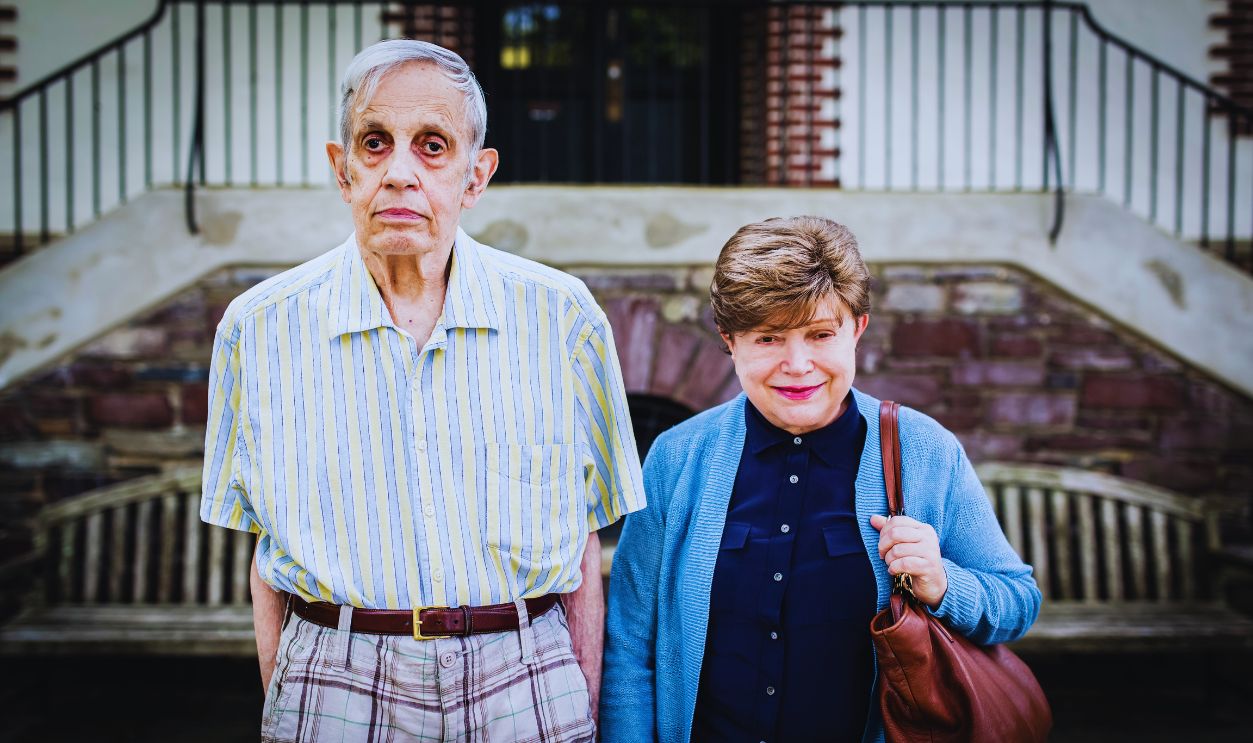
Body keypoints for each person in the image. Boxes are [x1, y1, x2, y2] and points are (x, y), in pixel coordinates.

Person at [200, 39, 644, 742]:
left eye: (432, 145)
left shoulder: (563, 317)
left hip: (524, 673)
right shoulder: (258, 328)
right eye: (374, 143)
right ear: (342, 169)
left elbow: (585, 542)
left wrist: (576, 699)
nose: (399, 172)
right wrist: (289, 698)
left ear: (475, 175)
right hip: (335, 673)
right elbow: (265, 558)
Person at [600, 216, 1041, 743]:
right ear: (729, 340)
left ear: (857, 328)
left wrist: (943, 582)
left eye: (820, 334)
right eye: (768, 337)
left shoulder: (925, 452)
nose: (797, 364)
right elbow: (629, 646)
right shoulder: (677, 458)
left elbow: (1017, 601)